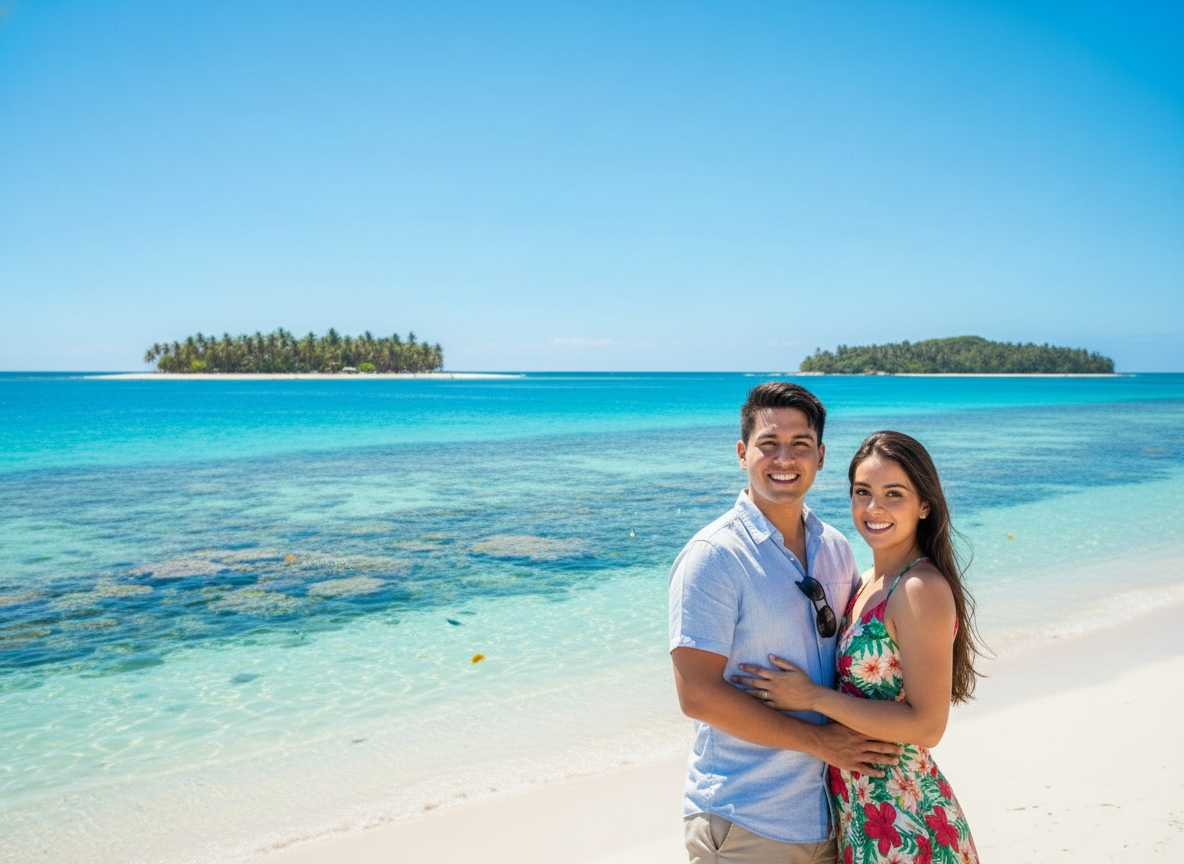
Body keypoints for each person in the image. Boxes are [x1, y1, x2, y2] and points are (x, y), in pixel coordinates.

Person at [669, 383, 903, 864]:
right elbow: (697, 694)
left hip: (832, 814)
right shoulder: (713, 557)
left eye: (800, 445)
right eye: (768, 444)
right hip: (746, 819)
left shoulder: (835, 547)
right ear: (741, 453)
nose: (784, 458)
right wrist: (820, 741)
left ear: (820, 456)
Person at [731, 431, 982, 864]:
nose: (874, 508)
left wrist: (812, 697)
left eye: (893, 494)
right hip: (862, 814)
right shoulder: (866, 581)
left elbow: (928, 726)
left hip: (906, 818)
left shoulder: (920, 588)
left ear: (925, 505)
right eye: (862, 492)